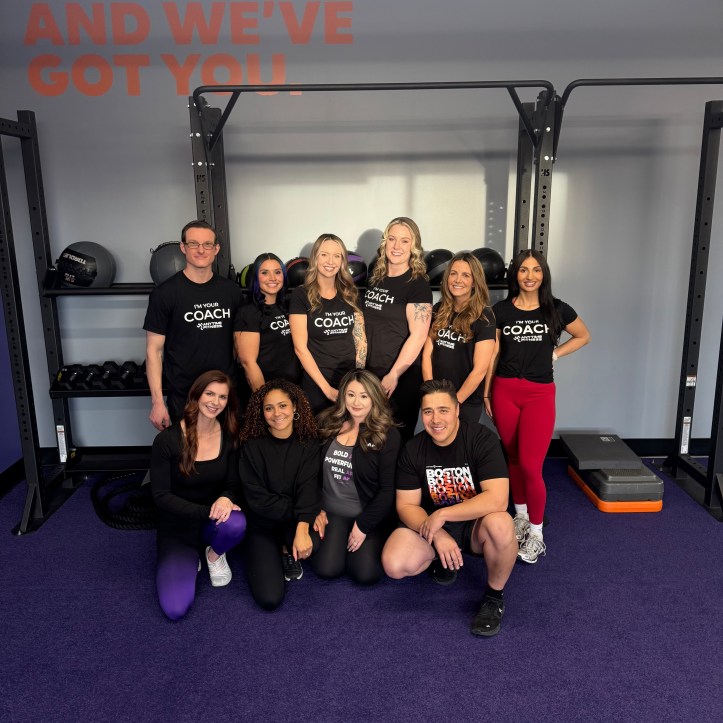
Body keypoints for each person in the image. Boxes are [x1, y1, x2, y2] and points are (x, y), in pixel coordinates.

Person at [382, 379, 517, 637]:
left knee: (501, 524)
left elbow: (498, 499)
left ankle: (494, 597)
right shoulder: (413, 449)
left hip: (476, 525)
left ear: (457, 409)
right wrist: (438, 534)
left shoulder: (482, 439)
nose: (435, 419)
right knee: (394, 563)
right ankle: (442, 559)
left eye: (443, 410)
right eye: (428, 411)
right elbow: (406, 506)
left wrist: (443, 515)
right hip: (432, 526)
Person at [484, 249, 590, 564]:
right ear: (514, 274)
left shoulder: (556, 308)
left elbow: (583, 336)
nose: (530, 276)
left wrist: (555, 354)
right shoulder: (501, 310)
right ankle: (519, 517)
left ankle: (537, 533)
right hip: (504, 391)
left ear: (544, 275)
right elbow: (493, 354)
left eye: (536, 270)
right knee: (514, 459)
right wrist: (487, 394)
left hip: (539, 395)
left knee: (531, 466)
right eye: (523, 270)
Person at [150, 370, 246, 621]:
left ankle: (213, 555)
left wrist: (226, 497)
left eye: (222, 397)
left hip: (211, 524)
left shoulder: (229, 436)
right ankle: (190, 557)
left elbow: (232, 483)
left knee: (236, 523)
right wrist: (206, 512)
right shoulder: (167, 440)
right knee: (175, 608)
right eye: (210, 394)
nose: (215, 402)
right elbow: (161, 496)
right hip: (178, 528)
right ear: (196, 395)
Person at [144, 219, 244, 430]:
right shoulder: (164, 294)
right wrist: (157, 402)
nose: (201, 250)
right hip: (185, 395)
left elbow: (239, 345)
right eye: (193, 244)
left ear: (216, 249)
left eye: (207, 244)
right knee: (187, 450)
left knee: (229, 449)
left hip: (225, 395)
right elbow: (154, 351)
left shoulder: (231, 292)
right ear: (183, 247)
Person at [311, 369, 401, 585]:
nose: (356, 402)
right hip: (331, 512)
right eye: (351, 395)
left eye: (364, 396)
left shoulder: (387, 434)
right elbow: (309, 473)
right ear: (343, 395)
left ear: (374, 397)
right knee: (327, 569)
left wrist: (362, 526)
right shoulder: (327, 423)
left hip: (366, 513)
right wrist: (315, 508)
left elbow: (387, 490)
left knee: (365, 574)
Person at [238, 379, 321, 610]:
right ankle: (269, 550)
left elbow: (308, 487)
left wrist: (302, 527)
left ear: (294, 407)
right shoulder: (251, 445)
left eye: (283, 405)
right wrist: (306, 513)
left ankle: (286, 549)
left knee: (313, 542)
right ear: (262, 412)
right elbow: (257, 499)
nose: (277, 414)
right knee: (270, 599)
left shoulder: (309, 443)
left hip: (291, 522)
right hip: (261, 524)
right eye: (269, 408)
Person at [363, 217, 432, 441]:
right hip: (371, 373)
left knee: (395, 441)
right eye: (392, 239)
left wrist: (394, 375)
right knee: (369, 439)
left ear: (414, 246)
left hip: (399, 377)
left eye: (404, 241)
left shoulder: (417, 284)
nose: (396, 246)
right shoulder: (376, 278)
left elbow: (419, 335)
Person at [289, 234, 367, 414]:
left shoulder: (351, 294)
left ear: (342, 261)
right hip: (317, 383)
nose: (330, 261)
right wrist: (326, 389)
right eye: (324, 254)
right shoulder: (301, 295)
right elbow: (300, 348)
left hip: (349, 382)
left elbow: (360, 340)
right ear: (315, 257)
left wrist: (357, 380)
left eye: (336, 256)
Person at [422, 252, 496, 425]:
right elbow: (427, 355)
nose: (457, 280)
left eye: (465, 275)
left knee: (461, 442)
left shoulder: (484, 316)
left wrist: (454, 402)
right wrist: (431, 393)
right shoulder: (438, 309)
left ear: (474, 282)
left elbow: (480, 370)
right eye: (453, 273)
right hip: (436, 397)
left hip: (465, 402)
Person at [237, 252, 301, 396]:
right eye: (264, 273)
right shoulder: (248, 311)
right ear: (255, 277)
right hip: (267, 392)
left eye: (277, 272)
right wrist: (265, 398)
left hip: (292, 389)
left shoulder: (286, 306)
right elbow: (248, 363)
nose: (272, 278)